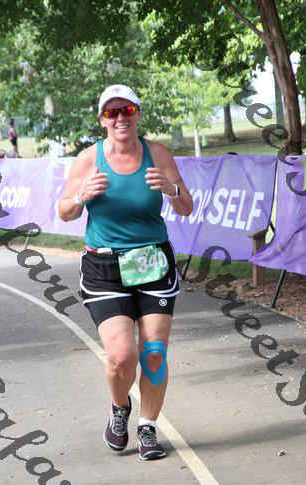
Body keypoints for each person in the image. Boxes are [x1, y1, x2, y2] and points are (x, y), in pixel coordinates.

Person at [58, 84, 193, 460]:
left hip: (152, 262)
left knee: (154, 353)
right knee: (122, 356)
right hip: (104, 267)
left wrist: (171, 189)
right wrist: (81, 195)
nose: (120, 118)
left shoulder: (157, 153)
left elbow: (186, 206)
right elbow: (64, 211)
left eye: (127, 110)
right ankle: (120, 408)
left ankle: (148, 427)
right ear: (102, 119)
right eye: (112, 112)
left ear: (138, 114)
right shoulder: (89, 159)